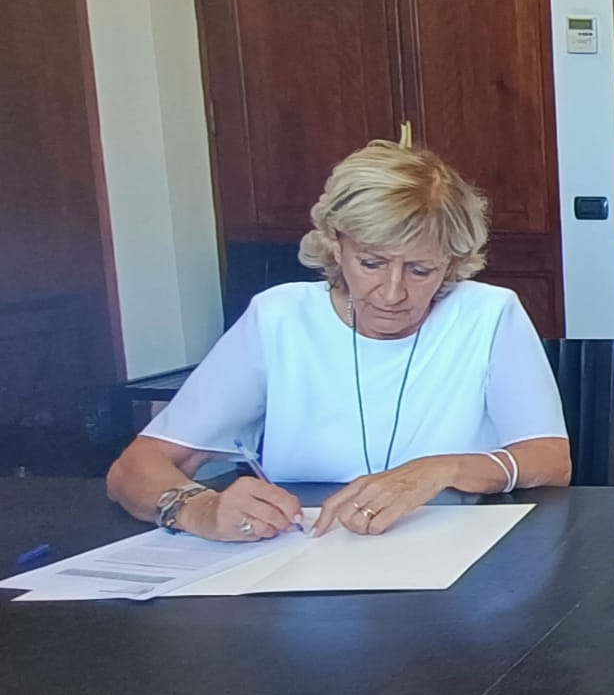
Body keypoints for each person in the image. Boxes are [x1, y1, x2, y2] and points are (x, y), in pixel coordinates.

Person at [105, 140, 573, 541]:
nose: (393, 293)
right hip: (304, 565)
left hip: (458, 565)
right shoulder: (280, 318)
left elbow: (551, 461)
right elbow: (136, 468)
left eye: (420, 269)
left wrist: (445, 468)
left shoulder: (488, 313)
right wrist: (198, 509)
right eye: (371, 264)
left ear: (452, 263)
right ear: (336, 245)